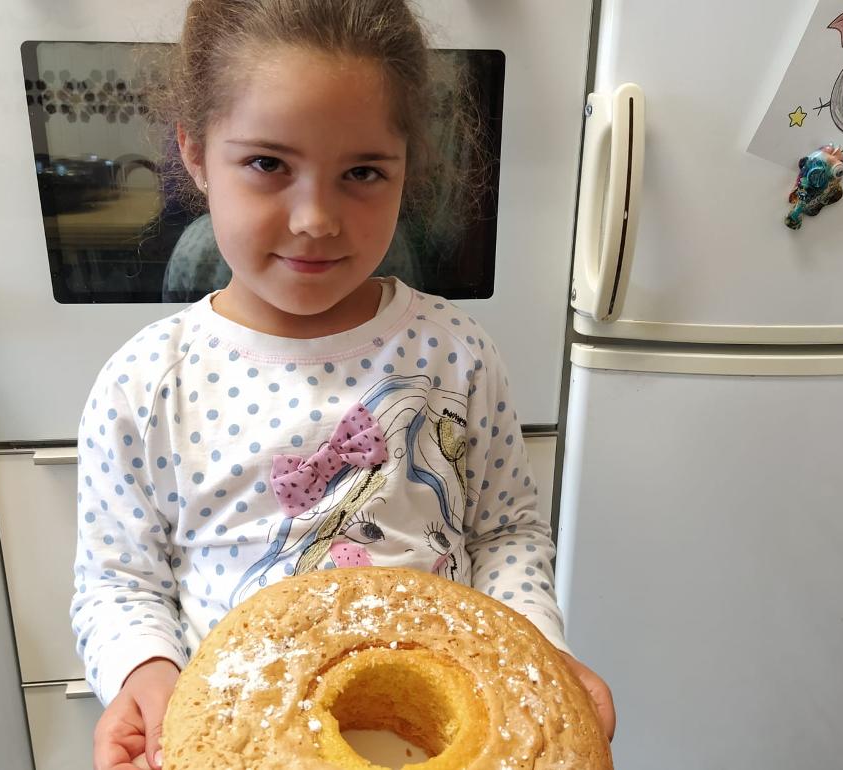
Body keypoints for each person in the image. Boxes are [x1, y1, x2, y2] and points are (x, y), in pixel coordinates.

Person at [71, 2, 616, 768]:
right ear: (194, 152)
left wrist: (539, 652)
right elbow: (118, 579)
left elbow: (505, 534)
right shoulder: (146, 384)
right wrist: (144, 674)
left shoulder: (455, 353)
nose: (317, 218)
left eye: (361, 173)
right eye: (268, 164)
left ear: (406, 168)